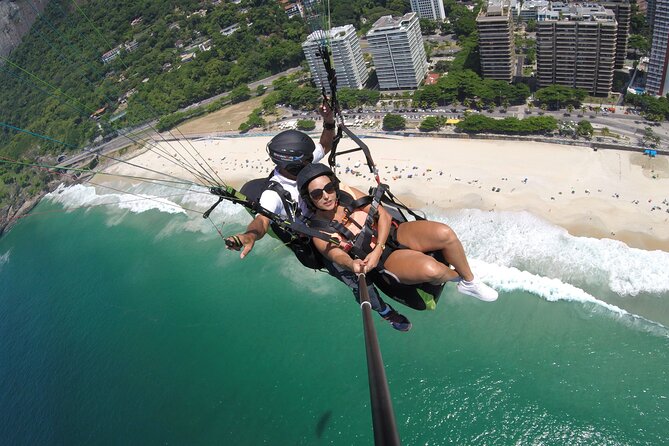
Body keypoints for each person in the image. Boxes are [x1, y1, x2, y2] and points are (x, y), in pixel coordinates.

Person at [226, 102, 412, 331]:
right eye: (306, 161)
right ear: (292, 163)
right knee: (355, 279)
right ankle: (384, 311)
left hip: (337, 212)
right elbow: (262, 220)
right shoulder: (273, 194)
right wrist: (250, 236)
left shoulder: (301, 162)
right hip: (320, 236)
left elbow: (324, 145)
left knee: (383, 217)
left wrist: (329, 121)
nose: (310, 161)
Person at [296, 163, 498, 302]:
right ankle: (459, 279)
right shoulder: (317, 230)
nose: (326, 196)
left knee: (444, 233)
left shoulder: (347, 195)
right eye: (317, 194)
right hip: (385, 260)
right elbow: (337, 255)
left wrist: (379, 247)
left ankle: (471, 280)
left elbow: (382, 216)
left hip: (393, 233)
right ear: (309, 198)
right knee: (432, 270)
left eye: (329, 188)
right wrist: (353, 264)